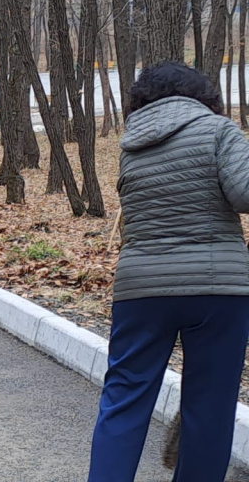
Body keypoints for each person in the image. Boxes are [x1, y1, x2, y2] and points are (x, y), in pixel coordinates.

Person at [88, 61, 249, 481]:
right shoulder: (218, 131)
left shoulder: (131, 144)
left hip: (140, 289)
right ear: (203, 96)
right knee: (210, 405)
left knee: (124, 397)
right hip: (218, 290)